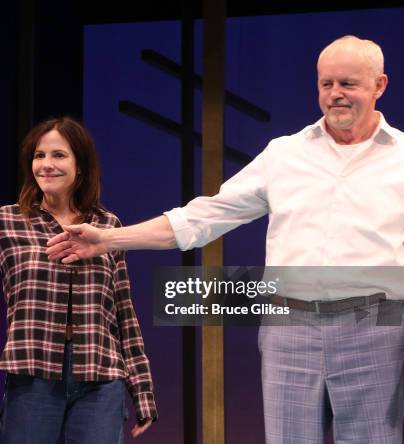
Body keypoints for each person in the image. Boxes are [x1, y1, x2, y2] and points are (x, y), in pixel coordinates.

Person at [46, 36, 404, 443]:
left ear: (379, 85)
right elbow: (205, 216)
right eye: (326, 84)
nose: (335, 94)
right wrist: (109, 239)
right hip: (289, 328)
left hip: (377, 328)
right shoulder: (285, 154)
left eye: (348, 84)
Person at [0, 117, 157, 443]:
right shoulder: (7, 220)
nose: (46, 165)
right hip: (33, 376)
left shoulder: (108, 225)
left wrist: (142, 389)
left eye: (59, 155)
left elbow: (123, 312)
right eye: (39, 156)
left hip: (101, 377)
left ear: (80, 165)